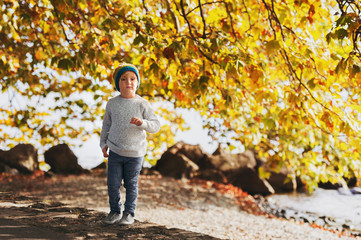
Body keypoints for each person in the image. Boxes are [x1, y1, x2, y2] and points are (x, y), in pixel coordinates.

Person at [100, 63, 160, 225]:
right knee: (113, 184)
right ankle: (114, 211)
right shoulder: (112, 103)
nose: (129, 82)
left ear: (137, 82)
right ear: (117, 84)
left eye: (133, 79)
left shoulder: (142, 104)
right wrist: (103, 143)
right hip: (115, 151)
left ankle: (129, 213)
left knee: (131, 185)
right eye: (124, 79)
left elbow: (155, 126)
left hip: (135, 154)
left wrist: (143, 123)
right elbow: (106, 125)